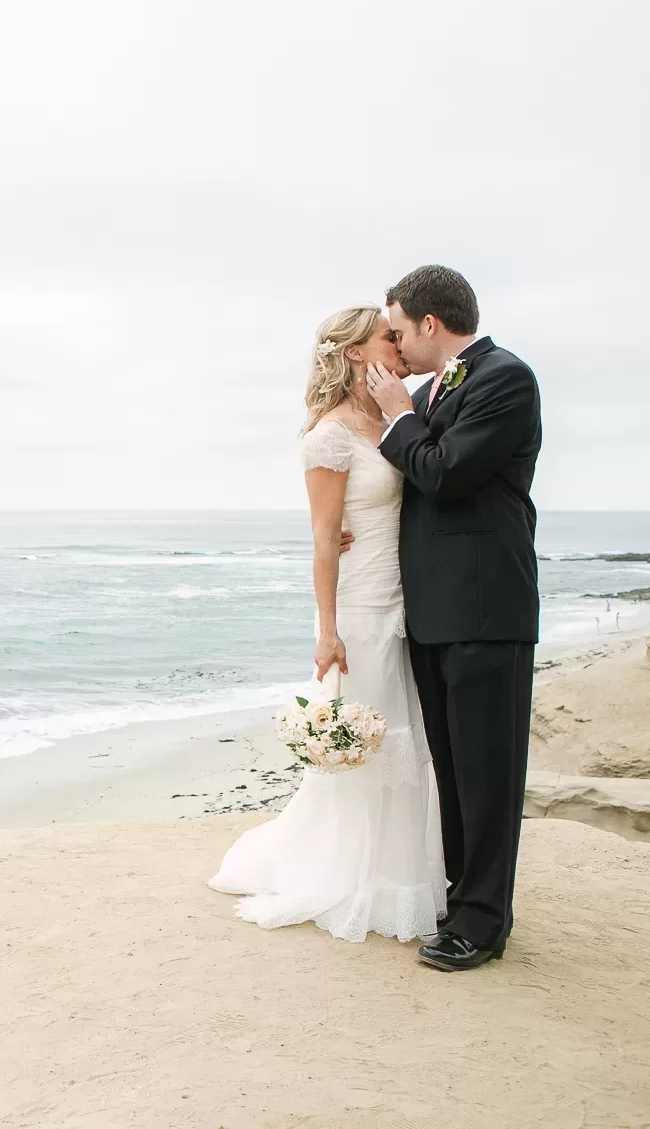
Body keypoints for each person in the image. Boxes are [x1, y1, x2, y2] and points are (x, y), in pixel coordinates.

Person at [206, 305, 447, 943]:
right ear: (355, 352)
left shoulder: (401, 417)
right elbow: (321, 541)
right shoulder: (329, 436)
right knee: (369, 744)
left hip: (409, 602)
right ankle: (355, 877)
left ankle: (405, 877)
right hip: (363, 609)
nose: (397, 344)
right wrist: (328, 630)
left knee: (406, 745)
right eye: (386, 337)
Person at [366, 264, 543, 972]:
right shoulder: (431, 389)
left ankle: (483, 923)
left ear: (431, 325)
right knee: (453, 767)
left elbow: (445, 471)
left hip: (485, 606)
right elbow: (411, 489)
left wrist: (398, 418)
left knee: (488, 769)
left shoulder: (505, 377)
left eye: (401, 331)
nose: (397, 346)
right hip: (433, 612)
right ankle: (460, 893)